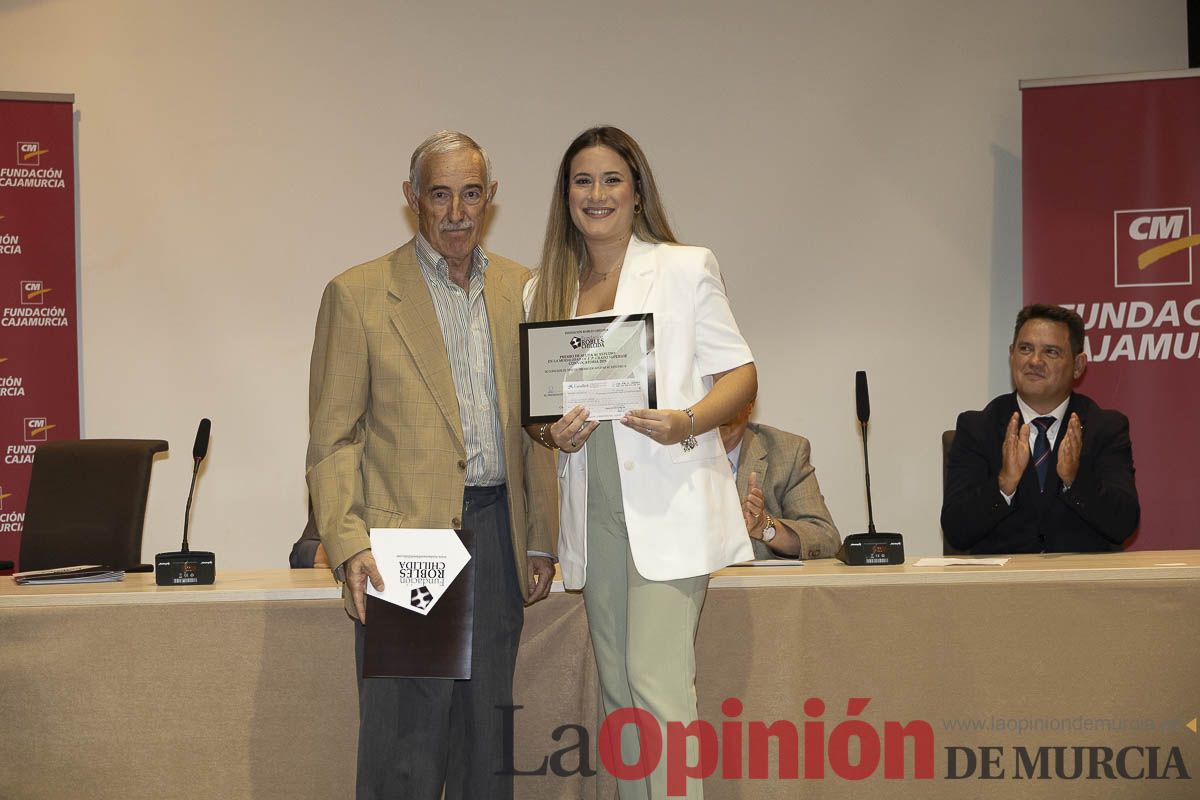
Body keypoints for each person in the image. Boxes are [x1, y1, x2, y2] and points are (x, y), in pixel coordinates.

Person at [306, 130, 557, 800]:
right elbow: (333, 440)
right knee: (406, 753)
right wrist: (350, 544)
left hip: (501, 534)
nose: (456, 212)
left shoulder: (523, 290)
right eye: (439, 194)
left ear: (491, 199)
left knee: (485, 751)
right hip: (409, 544)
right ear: (412, 198)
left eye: (470, 193)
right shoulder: (358, 295)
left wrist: (541, 535)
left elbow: (537, 428)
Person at [524, 125, 757, 799]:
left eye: (611, 180)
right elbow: (543, 415)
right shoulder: (545, 289)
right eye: (582, 181)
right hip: (592, 506)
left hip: (668, 504)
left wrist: (687, 421)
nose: (596, 194)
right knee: (621, 688)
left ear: (636, 190)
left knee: (658, 684)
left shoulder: (685, 268)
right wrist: (553, 435)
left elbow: (740, 374)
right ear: (565, 195)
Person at [941, 303, 1139, 554]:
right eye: (1025, 349)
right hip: (1003, 587)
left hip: (1081, 586)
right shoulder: (978, 427)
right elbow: (956, 531)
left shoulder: (1105, 428)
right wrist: (1003, 484)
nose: (1034, 361)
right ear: (1012, 355)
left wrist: (1074, 481)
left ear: (1078, 365)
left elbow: (1124, 524)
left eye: (1051, 352)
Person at [722, 403, 841, 560]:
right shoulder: (678, 448)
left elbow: (826, 539)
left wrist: (765, 527)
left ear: (749, 404)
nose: (718, 409)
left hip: (755, 583)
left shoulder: (787, 452)